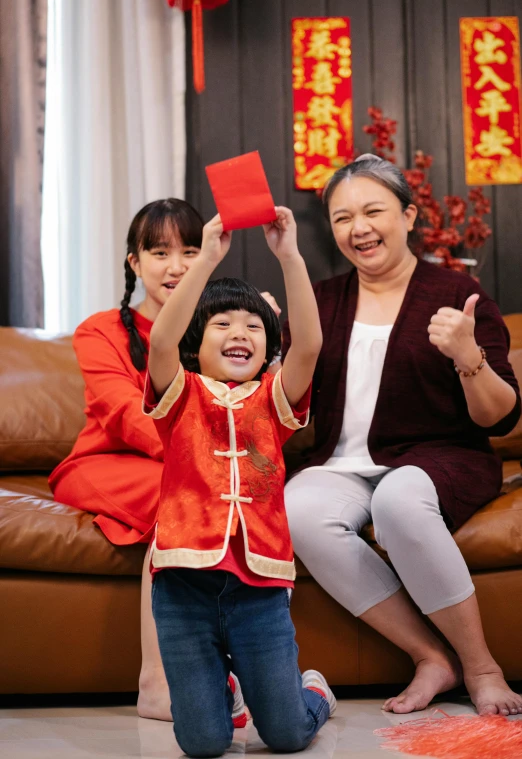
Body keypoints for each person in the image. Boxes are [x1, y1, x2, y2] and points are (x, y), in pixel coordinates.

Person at [283, 154, 522, 718]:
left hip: (440, 459)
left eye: (373, 211)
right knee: (295, 510)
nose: (358, 228)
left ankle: (483, 666)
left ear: (409, 216)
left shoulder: (456, 295)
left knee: (398, 499)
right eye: (342, 218)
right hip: (341, 464)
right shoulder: (320, 302)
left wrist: (470, 357)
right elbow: (287, 398)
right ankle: (431, 657)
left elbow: (500, 417)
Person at [49, 198, 253, 723]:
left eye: (189, 250)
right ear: (134, 263)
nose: (177, 265)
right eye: (159, 252)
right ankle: (157, 684)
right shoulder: (101, 331)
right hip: (106, 462)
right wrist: (203, 462)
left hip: (193, 466)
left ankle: (228, 669)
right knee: (180, 505)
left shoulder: (217, 330)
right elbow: (121, 411)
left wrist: (256, 340)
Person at [144, 208, 335, 757]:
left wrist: (289, 257)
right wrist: (205, 260)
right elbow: (160, 342)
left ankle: (313, 690)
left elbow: (309, 347)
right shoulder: (178, 394)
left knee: (287, 734)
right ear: (195, 343)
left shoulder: (273, 399)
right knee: (202, 744)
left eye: (254, 326)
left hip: (260, 589)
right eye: (222, 324)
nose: (240, 333)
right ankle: (224, 692)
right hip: (183, 588)